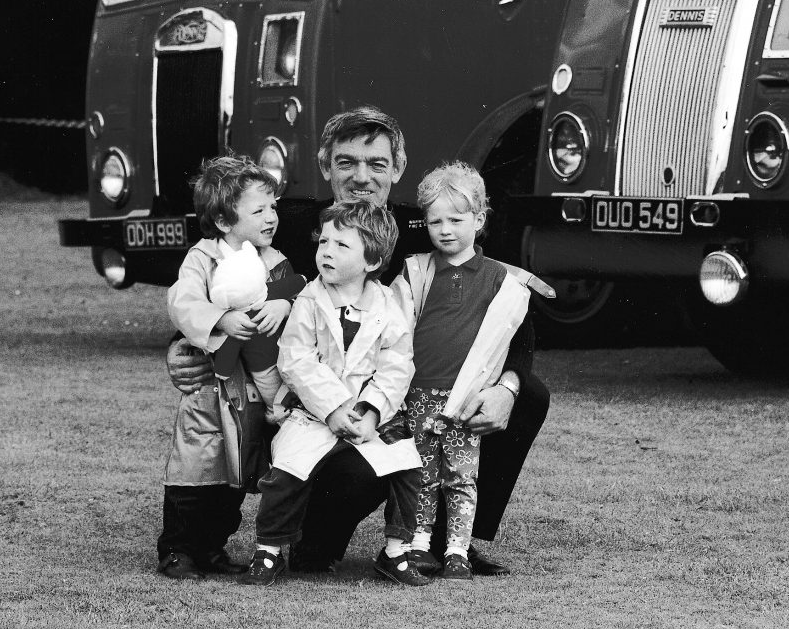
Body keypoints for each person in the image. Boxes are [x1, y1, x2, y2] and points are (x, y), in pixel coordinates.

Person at [166, 106, 551, 576]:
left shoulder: (433, 224)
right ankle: (290, 536)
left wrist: (506, 386)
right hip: (295, 392)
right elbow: (215, 277)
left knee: (528, 394)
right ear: (326, 166)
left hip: (392, 393)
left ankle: (452, 540)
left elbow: (511, 317)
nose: (361, 176)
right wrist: (182, 344)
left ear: (398, 169)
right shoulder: (280, 223)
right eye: (346, 162)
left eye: (377, 164)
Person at [240, 201, 429, 587]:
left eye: (342, 245)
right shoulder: (309, 301)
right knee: (288, 471)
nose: (326, 250)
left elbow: (397, 365)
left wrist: (372, 410)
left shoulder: (390, 306)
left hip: (368, 415)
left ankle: (396, 551)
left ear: (371, 260)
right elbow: (296, 360)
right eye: (324, 241)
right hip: (313, 414)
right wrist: (332, 409)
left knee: (407, 468)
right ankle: (268, 551)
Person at [158, 155, 299, 580]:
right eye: (258, 210)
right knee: (194, 470)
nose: (271, 217)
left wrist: (284, 302)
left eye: (273, 206)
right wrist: (219, 320)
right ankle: (178, 548)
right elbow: (181, 301)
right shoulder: (203, 259)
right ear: (223, 220)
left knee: (233, 476)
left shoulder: (274, 259)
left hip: (250, 392)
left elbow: (300, 293)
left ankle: (212, 547)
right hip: (208, 391)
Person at [391, 162, 531, 580]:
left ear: (479, 219)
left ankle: (457, 549)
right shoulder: (417, 270)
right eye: (435, 221)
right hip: (419, 393)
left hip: (465, 396)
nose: (445, 229)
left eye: (456, 219)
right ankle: (418, 546)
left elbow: (508, 332)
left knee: (462, 476)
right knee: (420, 473)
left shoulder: (497, 278)